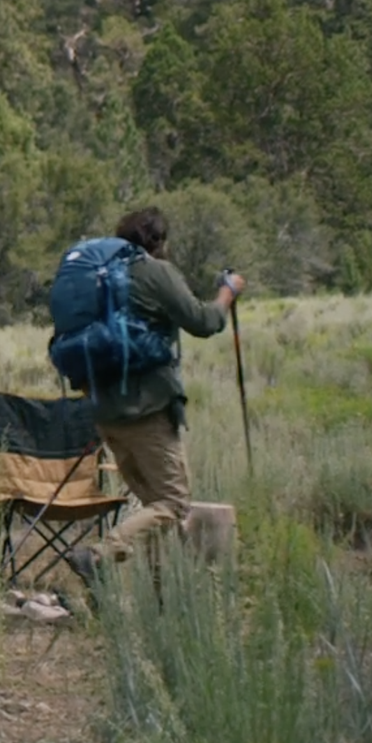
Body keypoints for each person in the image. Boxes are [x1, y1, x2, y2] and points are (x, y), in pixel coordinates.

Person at [65, 207, 241, 585]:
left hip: (106, 413)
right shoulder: (154, 272)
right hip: (146, 412)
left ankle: (163, 596)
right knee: (173, 505)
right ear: (158, 241)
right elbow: (204, 321)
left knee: (153, 508)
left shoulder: (97, 280)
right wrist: (228, 291)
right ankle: (98, 555)